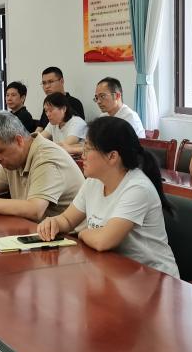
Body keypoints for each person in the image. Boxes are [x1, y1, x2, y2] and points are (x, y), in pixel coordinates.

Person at [35, 116, 179, 277]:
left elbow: (103, 241)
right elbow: (68, 220)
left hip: (153, 278)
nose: (82, 155)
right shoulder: (93, 181)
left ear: (112, 157)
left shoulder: (137, 188)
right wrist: (53, 223)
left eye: (88, 148)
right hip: (115, 271)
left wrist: (82, 233)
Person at [36, 66, 85, 132]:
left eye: (50, 82)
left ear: (61, 81)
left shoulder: (74, 103)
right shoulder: (48, 104)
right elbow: (40, 128)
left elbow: (78, 130)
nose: (47, 86)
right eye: (44, 83)